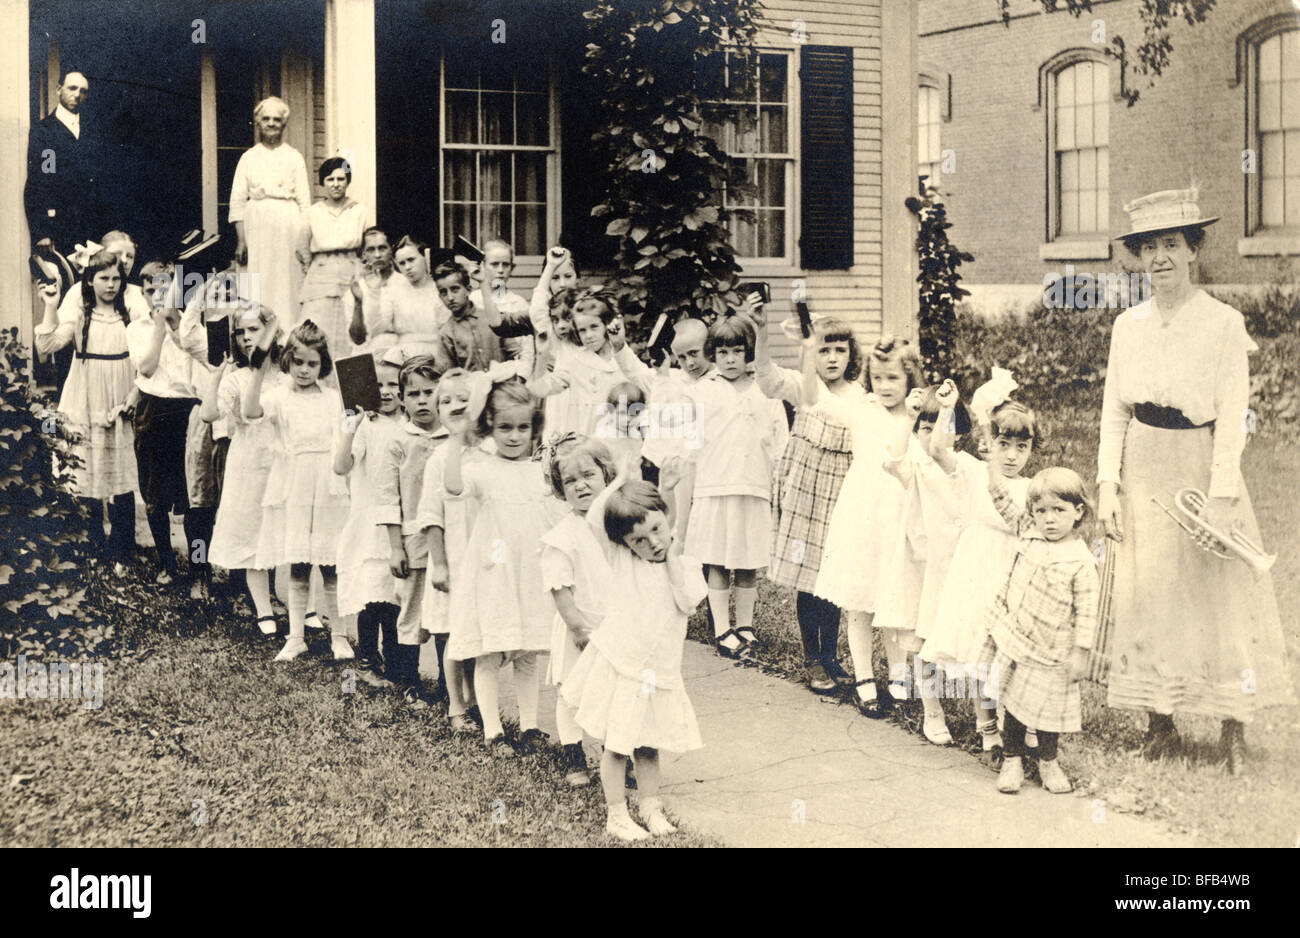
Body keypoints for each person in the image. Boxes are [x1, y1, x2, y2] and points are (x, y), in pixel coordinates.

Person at [1096, 188, 1294, 774]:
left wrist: (1223, 494)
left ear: (1193, 251)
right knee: (1152, 592)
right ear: (1139, 257)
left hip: (1200, 461)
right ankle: (1162, 723)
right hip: (1143, 459)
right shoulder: (1128, 326)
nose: (1160, 258)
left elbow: (1233, 416)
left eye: (1172, 245)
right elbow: (1113, 412)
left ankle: (1233, 725)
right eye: (1149, 247)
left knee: (1219, 593)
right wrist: (1108, 485)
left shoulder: (1223, 324)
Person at [561, 459, 705, 842]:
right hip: (623, 667)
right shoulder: (622, 558)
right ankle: (616, 814)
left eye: (656, 531)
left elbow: (688, 601)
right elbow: (595, 519)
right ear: (625, 543)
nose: (652, 544)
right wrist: (621, 480)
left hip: (658, 672)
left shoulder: (685, 565)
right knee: (618, 745)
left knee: (649, 745)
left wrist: (671, 545)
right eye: (639, 540)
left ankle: (650, 806)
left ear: (667, 520)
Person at [443, 368, 564, 757]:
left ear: (534, 428)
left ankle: (529, 725)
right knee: (491, 652)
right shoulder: (482, 468)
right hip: (495, 573)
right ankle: (493, 731)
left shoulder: (539, 472)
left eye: (523, 428)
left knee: (527, 650)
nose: (514, 436)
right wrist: (455, 439)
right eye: (505, 428)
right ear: (491, 426)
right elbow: (453, 486)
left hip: (528, 572)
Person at [802, 335, 923, 716]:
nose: (885, 386)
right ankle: (865, 678)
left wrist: (921, 412)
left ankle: (900, 677)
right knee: (860, 601)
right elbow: (814, 399)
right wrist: (808, 353)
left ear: (909, 380)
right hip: (863, 516)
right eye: (879, 378)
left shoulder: (917, 414)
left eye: (893, 379)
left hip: (899, 516)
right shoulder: (861, 409)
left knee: (894, 597)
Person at [750, 301, 861, 694]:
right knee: (805, 577)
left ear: (851, 354)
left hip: (839, 497)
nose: (831, 359)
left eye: (839, 350)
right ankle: (812, 657)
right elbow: (765, 380)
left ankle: (831, 654)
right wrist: (761, 331)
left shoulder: (860, 397)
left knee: (830, 579)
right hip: (802, 495)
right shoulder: (804, 387)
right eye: (823, 350)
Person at [925, 389, 1036, 762]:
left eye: (1021, 447)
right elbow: (939, 450)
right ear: (989, 444)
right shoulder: (973, 470)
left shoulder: (1032, 488)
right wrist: (945, 409)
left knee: (1005, 651)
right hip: (976, 566)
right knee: (978, 646)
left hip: (1010, 572)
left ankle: (1010, 722)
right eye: (1003, 444)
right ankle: (986, 725)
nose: (1011, 455)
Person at [980, 467, 1100, 795]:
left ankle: (1048, 760)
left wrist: (1080, 652)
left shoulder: (1080, 562)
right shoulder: (1028, 532)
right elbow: (1002, 501)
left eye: (1059, 511)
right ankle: (1012, 759)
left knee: (1049, 713)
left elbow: (1088, 612)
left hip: (1053, 651)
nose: (1049, 519)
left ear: (1078, 512)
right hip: (1017, 638)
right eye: (1041, 511)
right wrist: (992, 468)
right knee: (1015, 707)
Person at [679, 313, 788, 660]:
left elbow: (779, 441)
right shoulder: (701, 393)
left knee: (746, 561)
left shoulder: (765, 392)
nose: (729, 359)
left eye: (737, 352)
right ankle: (721, 629)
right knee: (716, 560)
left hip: (752, 486)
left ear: (749, 354)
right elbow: (689, 447)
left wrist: (778, 478)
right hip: (715, 487)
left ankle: (745, 626)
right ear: (713, 353)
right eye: (722, 352)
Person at [244, 319, 352, 662]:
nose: (305, 370)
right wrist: (258, 370)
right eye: (299, 362)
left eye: (313, 364)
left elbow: (346, 438)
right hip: (294, 482)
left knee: (331, 562)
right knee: (299, 564)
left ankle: (339, 635)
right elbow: (250, 412)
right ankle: (296, 637)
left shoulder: (334, 398)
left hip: (327, 482)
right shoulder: (277, 397)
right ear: (287, 359)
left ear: (323, 365)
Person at [875, 382, 970, 744]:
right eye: (924, 428)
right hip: (922, 565)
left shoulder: (961, 466)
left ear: (956, 432)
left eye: (940, 426)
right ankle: (933, 710)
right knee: (923, 638)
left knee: (957, 636)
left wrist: (946, 410)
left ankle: (983, 714)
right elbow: (891, 459)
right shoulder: (914, 466)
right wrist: (908, 417)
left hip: (956, 565)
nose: (931, 437)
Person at [34, 249, 138, 574]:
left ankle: (122, 553)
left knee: (121, 477)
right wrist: (50, 306)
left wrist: (134, 395)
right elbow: (46, 347)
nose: (110, 285)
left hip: (120, 397)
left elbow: (145, 361)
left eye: (116, 278)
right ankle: (93, 548)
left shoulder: (129, 315)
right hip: (85, 396)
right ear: (90, 280)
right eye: (103, 278)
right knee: (88, 472)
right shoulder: (80, 315)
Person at [541, 433, 618, 787]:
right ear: (560, 490)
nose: (581, 486)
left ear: (605, 475)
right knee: (571, 693)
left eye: (588, 476)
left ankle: (614, 754)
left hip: (614, 626)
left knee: (613, 691)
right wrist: (577, 628)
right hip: (581, 627)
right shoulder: (563, 536)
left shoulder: (616, 525)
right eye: (570, 481)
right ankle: (573, 754)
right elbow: (561, 590)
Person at [204, 302, 285, 632]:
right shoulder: (237, 378)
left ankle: (301, 605)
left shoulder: (289, 372)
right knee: (253, 531)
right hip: (249, 462)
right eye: (241, 332)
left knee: (287, 530)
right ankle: (263, 609)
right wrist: (214, 379)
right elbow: (210, 414)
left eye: (255, 329)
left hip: (283, 459)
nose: (247, 337)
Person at [126, 261, 207, 586]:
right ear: (142, 294)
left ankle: (199, 568)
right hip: (152, 409)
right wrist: (159, 326)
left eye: (164, 288)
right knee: (155, 497)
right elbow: (145, 368)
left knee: (195, 498)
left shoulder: (193, 326)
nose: (157, 295)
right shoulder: (136, 328)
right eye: (150, 290)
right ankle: (166, 564)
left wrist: (174, 324)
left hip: (187, 411)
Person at [332, 348, 405, 688]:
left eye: (394, 384)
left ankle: (392, 662)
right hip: (367, 520)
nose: (387, 391)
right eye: (380, 384)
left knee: (393, 596)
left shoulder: (407, 427)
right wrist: (351, 425)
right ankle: (364, 661)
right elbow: (341, 466)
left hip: (397, 522)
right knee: (369, 594)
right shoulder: (365, 426)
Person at [375, 355, 446, 706]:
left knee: (447, 613)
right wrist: (395, 547)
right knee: (412, 611)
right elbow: (388, 498)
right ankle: (408, 681)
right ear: (402, 398)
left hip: (449, 544)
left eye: (429, 392)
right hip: (414, 542)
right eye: (413, 393)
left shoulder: (455, 438)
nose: (421, 400)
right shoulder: (398, 440)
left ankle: (452, 688)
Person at [417, 368, 483, 734]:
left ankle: (475, 698)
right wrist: (439, 564)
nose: (455, 405)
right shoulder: (439, 459)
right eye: (446, 400)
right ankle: (456, 706)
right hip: (452, 559)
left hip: (481, 560)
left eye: (463, 398)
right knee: (452, 634)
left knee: (476, 632)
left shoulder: (487, 452)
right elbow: (430, 516)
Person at [229, 97, 311, 321]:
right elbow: (237, 201)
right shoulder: (249, 158)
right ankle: (256, 335)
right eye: (266, 119)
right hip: (257, 226)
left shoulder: (294, 157)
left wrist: (304, 240)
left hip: (288, 225)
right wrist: (241, 240)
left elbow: (305, 202)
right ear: (258, 123)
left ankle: (287, 333)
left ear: (284, 124)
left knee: (287, 280)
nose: (272, 123)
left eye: (277, 119)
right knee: (258, 279)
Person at [24, 69, 106, 261]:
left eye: (83, 91)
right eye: (72, 88)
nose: (77, 95)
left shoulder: (93, 132)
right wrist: (41, 230)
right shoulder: (44, 132)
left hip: (91, 226)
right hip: (61, 225)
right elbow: (40, 181)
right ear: (58, 89)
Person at [297, 157, 367, 356]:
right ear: (322, 182)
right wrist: (313, 272)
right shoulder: (312, 213)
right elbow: (302, 249)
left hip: (350, 271)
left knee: (349, 333)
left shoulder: (359, 210)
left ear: (348, 181)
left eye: (341, 179)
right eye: (330, 179)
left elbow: (367, 246)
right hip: (320, 275)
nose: (336, 184)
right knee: (317, 332)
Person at [370, 236, 447, 361]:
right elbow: (380, 326)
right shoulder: (393, 290)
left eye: (411, 260)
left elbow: (447, 331)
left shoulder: (439, 288)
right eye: (402, 263)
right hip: (402, 352)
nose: (407, 267)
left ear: (425, 258)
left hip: (435, 352)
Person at [433, 260, 501, 372]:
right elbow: (448, 375)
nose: (450, 298)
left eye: (455, 290)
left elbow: (515, 352)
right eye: (444, 292)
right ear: (440, 296)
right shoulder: (446, 333)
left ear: (468, 290)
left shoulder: (492, 318)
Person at [478, 239, 536, 367]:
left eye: (505, 264)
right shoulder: (473, 301)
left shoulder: (519, 304)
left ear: (512, 268)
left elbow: (527, 351)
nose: (500, 270)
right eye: (494, 264)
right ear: (482, 265)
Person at [348, 227, 397, 349]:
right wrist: (358, 302)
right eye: (371, 250)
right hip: (369, 354)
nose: (377, 255)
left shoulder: (404, 283)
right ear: (364, 255)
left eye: (382, 248)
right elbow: (357, 339)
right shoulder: (357, 288)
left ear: (391, 250)